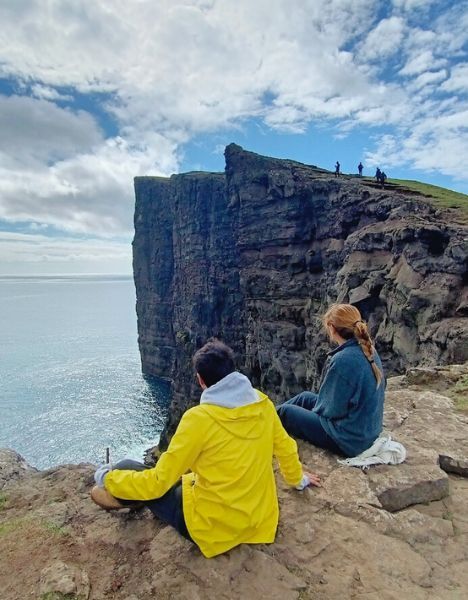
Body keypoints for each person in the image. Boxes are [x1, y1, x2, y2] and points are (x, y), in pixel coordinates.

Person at [91, 339, 320, 558]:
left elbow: (159, 481)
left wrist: (107, 479)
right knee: (176, 481)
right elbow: (287, 448)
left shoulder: (198, 419)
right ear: (233, 371)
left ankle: (124, 494)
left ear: (200, 380)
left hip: (213, 528)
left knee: (125, 467)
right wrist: (298, 480)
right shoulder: (263, 404)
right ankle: (130, 494)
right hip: (258, 521)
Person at [276, 304, 385, 458]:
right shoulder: (369, 350)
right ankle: (262, 421)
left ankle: (255, 428)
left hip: (349, 440)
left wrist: (311, 417)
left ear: (332, 329)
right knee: (304, 397)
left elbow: (331, 410)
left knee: (286, 413)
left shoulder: (342, 360)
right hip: (364, 429)